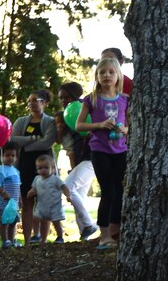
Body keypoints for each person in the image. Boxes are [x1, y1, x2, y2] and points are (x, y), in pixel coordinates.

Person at [76, 57, 129, 250]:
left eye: (111, 72)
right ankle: (104, 235)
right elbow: (79, 124)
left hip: (121, 150)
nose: (107, 75)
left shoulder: (125, 99)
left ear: (118, 76)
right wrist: (99, 125)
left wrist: (125, 130)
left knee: (120, 191)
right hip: (100, 150)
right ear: (97, 76)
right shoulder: (91, 99)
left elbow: (132, 124)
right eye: (102, 72)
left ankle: (115, 231)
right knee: (108, 191)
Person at [10, 90, 56, 245]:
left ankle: (43, 240)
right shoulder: (21, 121)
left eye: (35, 100)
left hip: (45, 167)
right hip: (25, 165)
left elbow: (47, 142)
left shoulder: (50, 121)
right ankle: (28, 241)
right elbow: (14, 140)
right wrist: (33, 138)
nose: (31, 103)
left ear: (43, 102)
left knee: (44, 202)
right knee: (27, 202)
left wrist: (27, 145)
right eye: (29, 101)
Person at [56, 82, 98, 241]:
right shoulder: (67, 115)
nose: (63, 100)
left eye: (66, 97)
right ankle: (84, 235)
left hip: (91, 158)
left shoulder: (83, 108)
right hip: (81, 161)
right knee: (77, 195)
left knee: (67, 187)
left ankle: (89, 225)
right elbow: (62, 142)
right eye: (61, 98)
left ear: (75, 95)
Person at [27, 155, 74, 244]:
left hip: (54, 206)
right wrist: (31, 192)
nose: (43, 170)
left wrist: (68, 196)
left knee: (56, 222)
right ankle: (36, 235)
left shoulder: (55, 179)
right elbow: (34, 188)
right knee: (35, 218)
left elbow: (64, 187)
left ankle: (60, 237)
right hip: (41, 206)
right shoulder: (37, 179)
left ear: (52, 169)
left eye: (46, 167)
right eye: (40, 168)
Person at [0, 141, 22, 249]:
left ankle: (11, 240)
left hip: (13, 203)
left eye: (13, 155)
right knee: (4, 222)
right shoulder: (0, 170)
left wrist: (20, 200)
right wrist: (4, 193)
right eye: (7, 155)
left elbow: (18, 186)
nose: (10, 158)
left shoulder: (16, 171)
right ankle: (5, 241)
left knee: (13, 222)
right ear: (2, 156)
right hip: (3, 203)